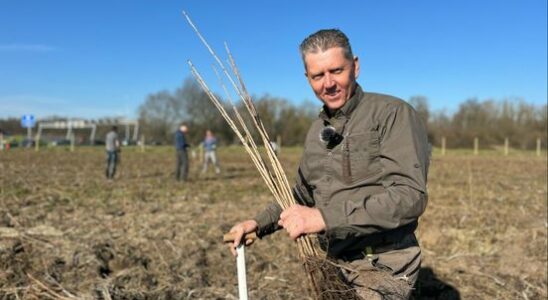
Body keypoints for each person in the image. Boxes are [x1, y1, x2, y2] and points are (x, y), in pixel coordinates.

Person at [227, 29, 430, 299]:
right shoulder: (316, 130)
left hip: (383, 264)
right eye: (318, 76)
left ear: (355, 66)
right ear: (307, 78)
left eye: (336, 70)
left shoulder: (392, 114)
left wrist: (324, 218)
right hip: (334, 264)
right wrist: (257, 223)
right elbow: (301, 194)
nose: (328, 84)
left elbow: (409, 197)